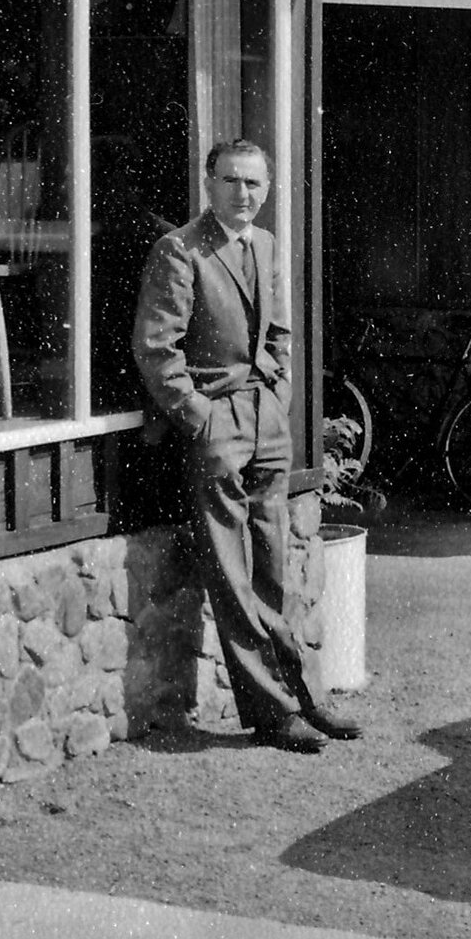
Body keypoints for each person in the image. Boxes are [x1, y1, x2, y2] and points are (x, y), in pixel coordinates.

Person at [132, 139, 360, 753]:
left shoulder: (266, 246)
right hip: (218, 424)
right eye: (231, 181)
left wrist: (279, 391)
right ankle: (270, 710)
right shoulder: (181, 251)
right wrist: (199, 415)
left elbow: (279, 333)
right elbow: (157, 348)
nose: (244, 194)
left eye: (255, 184)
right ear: (209, 183)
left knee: (273, 564)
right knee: (232, 574)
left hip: (266, 421)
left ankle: (304, 696)